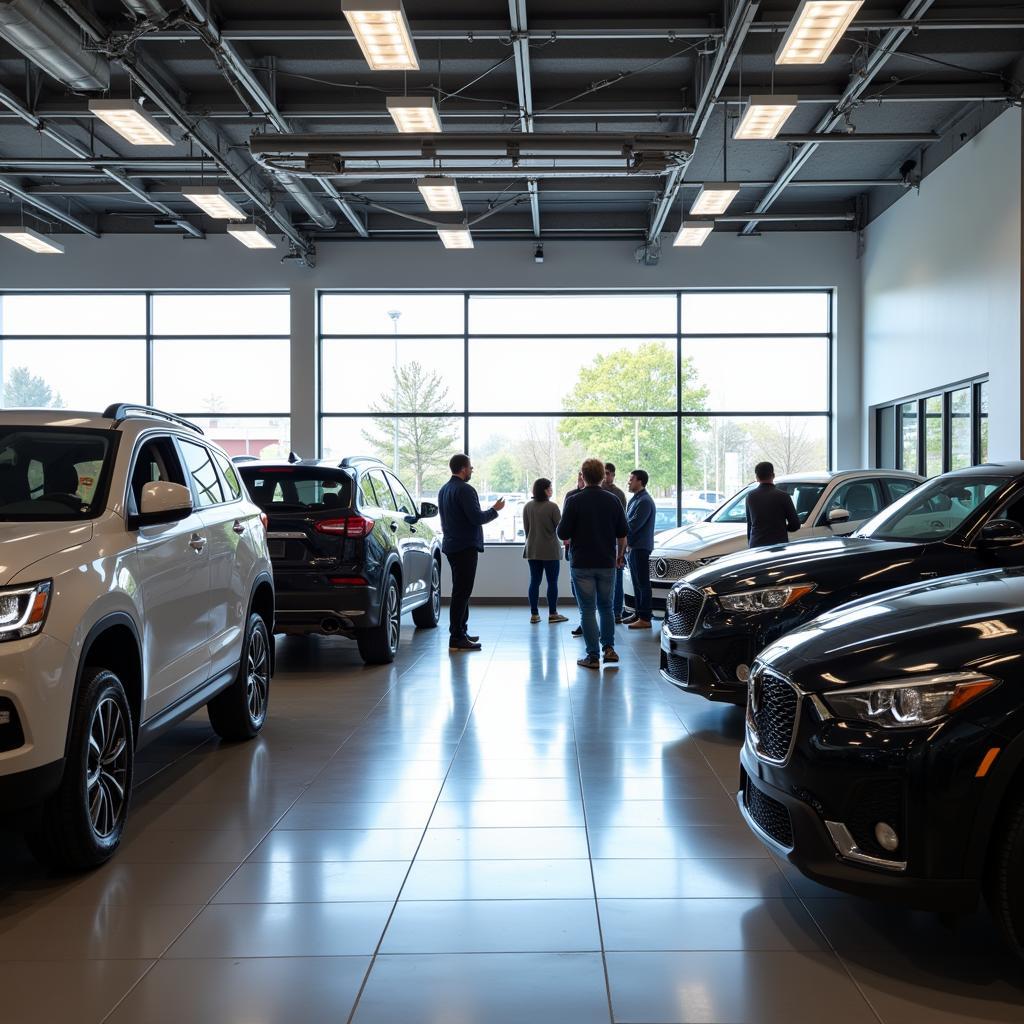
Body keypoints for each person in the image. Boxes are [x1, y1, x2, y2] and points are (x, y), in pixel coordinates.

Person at [557, 458, 628, 669]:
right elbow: (622, 533)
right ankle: (609, 648)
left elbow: (562, 532)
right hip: (606, 562)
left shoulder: (574, 500)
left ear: (583, 475)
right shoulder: (613, 500)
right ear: (601, 475)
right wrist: (620, 555)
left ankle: (592, 656)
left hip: (582, 563)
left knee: (587, 610)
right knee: (606, 607)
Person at [438, 454, 505, 652]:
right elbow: (476, 518)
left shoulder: (444, 489)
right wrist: (494, 509)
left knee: (461, 591)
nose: (472, 470)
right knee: (462, 592)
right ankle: (457, 637)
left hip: (451, 545)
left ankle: (461, 631)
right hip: (465, 547)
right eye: (470, 467)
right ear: (463, 469)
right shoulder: (465, 490)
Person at [522, 478, 568, 624]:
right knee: (552, 582)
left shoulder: (528, 506)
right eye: (550, 488)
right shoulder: (552, 507)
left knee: (534, 581)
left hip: (533, 549)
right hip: (550, 550)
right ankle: (553, 613)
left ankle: (534, 614)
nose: (551, 490)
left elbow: (526, 529)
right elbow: (560, 529)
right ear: (545, 490)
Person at [623, 469, 656, 630]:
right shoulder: (635, 499)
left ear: (640, 481)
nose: (628, 482)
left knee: (643, 583)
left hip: (640, 547)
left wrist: (620, 530)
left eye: (631, 479)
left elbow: (633, 526)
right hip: (633, 547)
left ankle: (645, 617)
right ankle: (638, 613)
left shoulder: (644, 501)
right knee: (637, 582)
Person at [746, 461, 800, 548]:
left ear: (757, 477)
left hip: (756, 545)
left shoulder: (750, 496)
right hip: (778, 544)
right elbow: (795, 525)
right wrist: (781, 528)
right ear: (773, 475)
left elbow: (749, 524)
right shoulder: (783, 496)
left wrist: (750, 542)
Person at [602, 462, 628, 624]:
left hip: (614, 542)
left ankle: (617, 612)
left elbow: (622, 523)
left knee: (617, 578)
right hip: (599, 542)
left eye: (608, 473)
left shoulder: (619, 494)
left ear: (613, 475)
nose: (605, 476)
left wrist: (621, 549)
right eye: (603, 473)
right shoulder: (596, 491)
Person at [563, 471, 585, 637]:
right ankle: (585, 621)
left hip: (593, 553)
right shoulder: (571, 497)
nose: (582, 481)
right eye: (580, 477)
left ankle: (588, 624)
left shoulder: (606, 497)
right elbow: (565, 524)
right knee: (576, 588)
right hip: (575, 550)